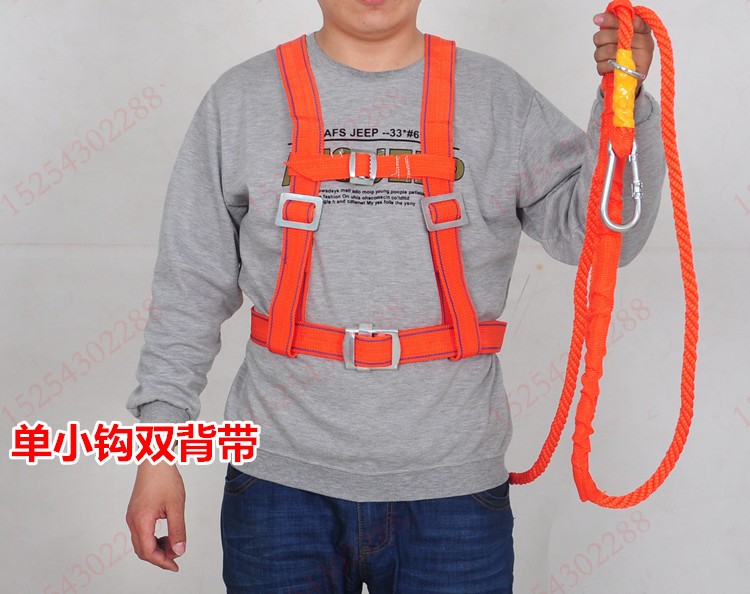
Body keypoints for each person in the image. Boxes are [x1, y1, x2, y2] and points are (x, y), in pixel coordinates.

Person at [125, 1, 663, 592]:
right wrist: (157, 449)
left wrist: (624, 102)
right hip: (279, 486)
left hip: (452, 492)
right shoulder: (242, 100)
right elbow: (189, 285)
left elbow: (602, 236)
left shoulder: (496, 98)